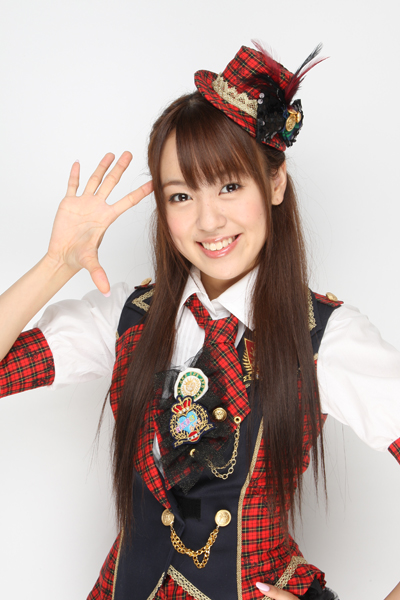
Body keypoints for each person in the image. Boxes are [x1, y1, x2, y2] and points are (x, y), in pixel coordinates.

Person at [0, 42, 399, 600]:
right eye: (181, 195)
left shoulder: (326, 337)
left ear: (275, 183)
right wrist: (56, 263)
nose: (209, 221)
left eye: (230, 186)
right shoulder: (126, 317)